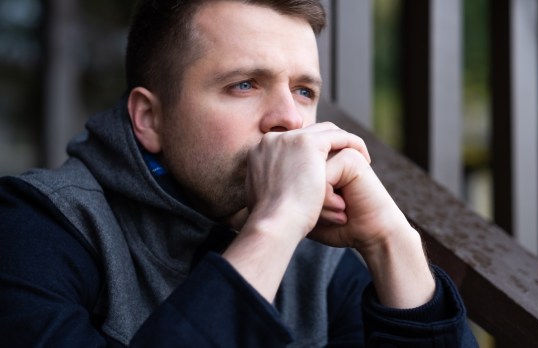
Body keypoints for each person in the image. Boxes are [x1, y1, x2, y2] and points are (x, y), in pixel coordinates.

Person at [0, 0, 478, 346]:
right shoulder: (35, 226)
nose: (290, 119)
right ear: (150, 118)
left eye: (305, 91)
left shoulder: (323, 263)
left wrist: (392, 244)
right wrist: (272, 228)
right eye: (245, 85)